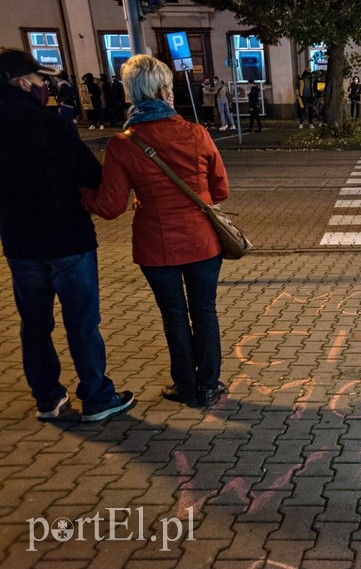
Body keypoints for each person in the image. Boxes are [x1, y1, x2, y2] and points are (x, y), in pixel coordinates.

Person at [81, 54, 229, 408]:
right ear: (164, 90)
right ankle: (209, 384)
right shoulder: (196, 133)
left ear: (132, 93)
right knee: (205, 310)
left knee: (174, 315)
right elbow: (220, 189)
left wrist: (82, 195)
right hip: (202, 240)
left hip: (156, 245)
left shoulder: (123, 144)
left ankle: (186, 386)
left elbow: (110, 206)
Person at [0, 48, 134, 422]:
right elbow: (90, 173)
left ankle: (47, 398)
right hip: (67, 238)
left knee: (35, 324)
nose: (46, 87)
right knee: (82, 322)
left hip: (20, 243)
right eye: (42, 80)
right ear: (23, 82)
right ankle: (96, 396)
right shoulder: (46, 124)